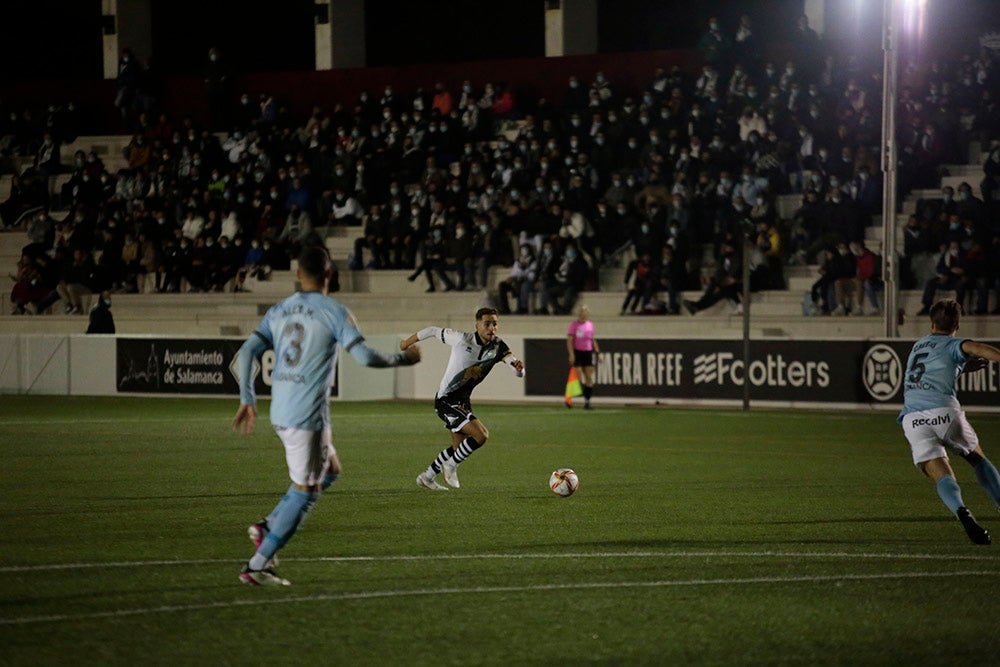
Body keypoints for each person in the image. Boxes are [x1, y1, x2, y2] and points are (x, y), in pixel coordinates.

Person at [232, 244, 422, 586]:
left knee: (331, 469)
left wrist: (248, 397)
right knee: (306, 490)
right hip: (306, 416)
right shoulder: (335, 311)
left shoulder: (280, 309)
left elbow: (246, 352)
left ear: (297, 275)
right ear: (330, 275)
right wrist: (403, 360)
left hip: (281, 409)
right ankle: (258, 565)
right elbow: (364, 357)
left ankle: (266, 527)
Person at [898, 299, 1000, 545]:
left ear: (932, 323)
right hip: (945, 414)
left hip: (913, 419)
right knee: (976, 459)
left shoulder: (918, 346)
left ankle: (962, 511)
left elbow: (931, 369)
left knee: (939, 472)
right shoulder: (956, 344)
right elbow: (975, 348)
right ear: (957, 324)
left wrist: (961, 368)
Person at [401, 307, 525, 491]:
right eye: (487, 324)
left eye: (495, 323)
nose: (492, 328)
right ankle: (451, 466)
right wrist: (406, 343)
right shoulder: (461, 338)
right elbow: (433, 331)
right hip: (445, 400)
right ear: (477, 325)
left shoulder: (499, 346)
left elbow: (517, 372)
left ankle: (427, 476)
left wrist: (519, 369)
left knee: (458, 447)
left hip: (463, 402)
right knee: (481, 435)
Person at [567, 305, 600, 409]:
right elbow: (570, 340)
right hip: (578, 352)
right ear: (579, 313)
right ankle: (569, 397)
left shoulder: (590, 325)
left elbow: (592, 339)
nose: (584, 313)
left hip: (588, 352)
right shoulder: (574, 325)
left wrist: (597, 351)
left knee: (588, 377)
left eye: (586, 311)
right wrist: (572, 354)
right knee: (578, 374)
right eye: (582, 311)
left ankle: (587, 402)